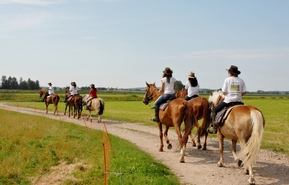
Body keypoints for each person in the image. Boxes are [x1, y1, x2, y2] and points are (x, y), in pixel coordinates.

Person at [208, 65, 247, 134]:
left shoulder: (227, 80)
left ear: (230, 73)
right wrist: (237, 94)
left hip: (228, 101)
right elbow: (244, 93)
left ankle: (214, 128)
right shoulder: (241, 80)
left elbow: (224, 92)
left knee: (214, 111)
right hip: (239, 102)